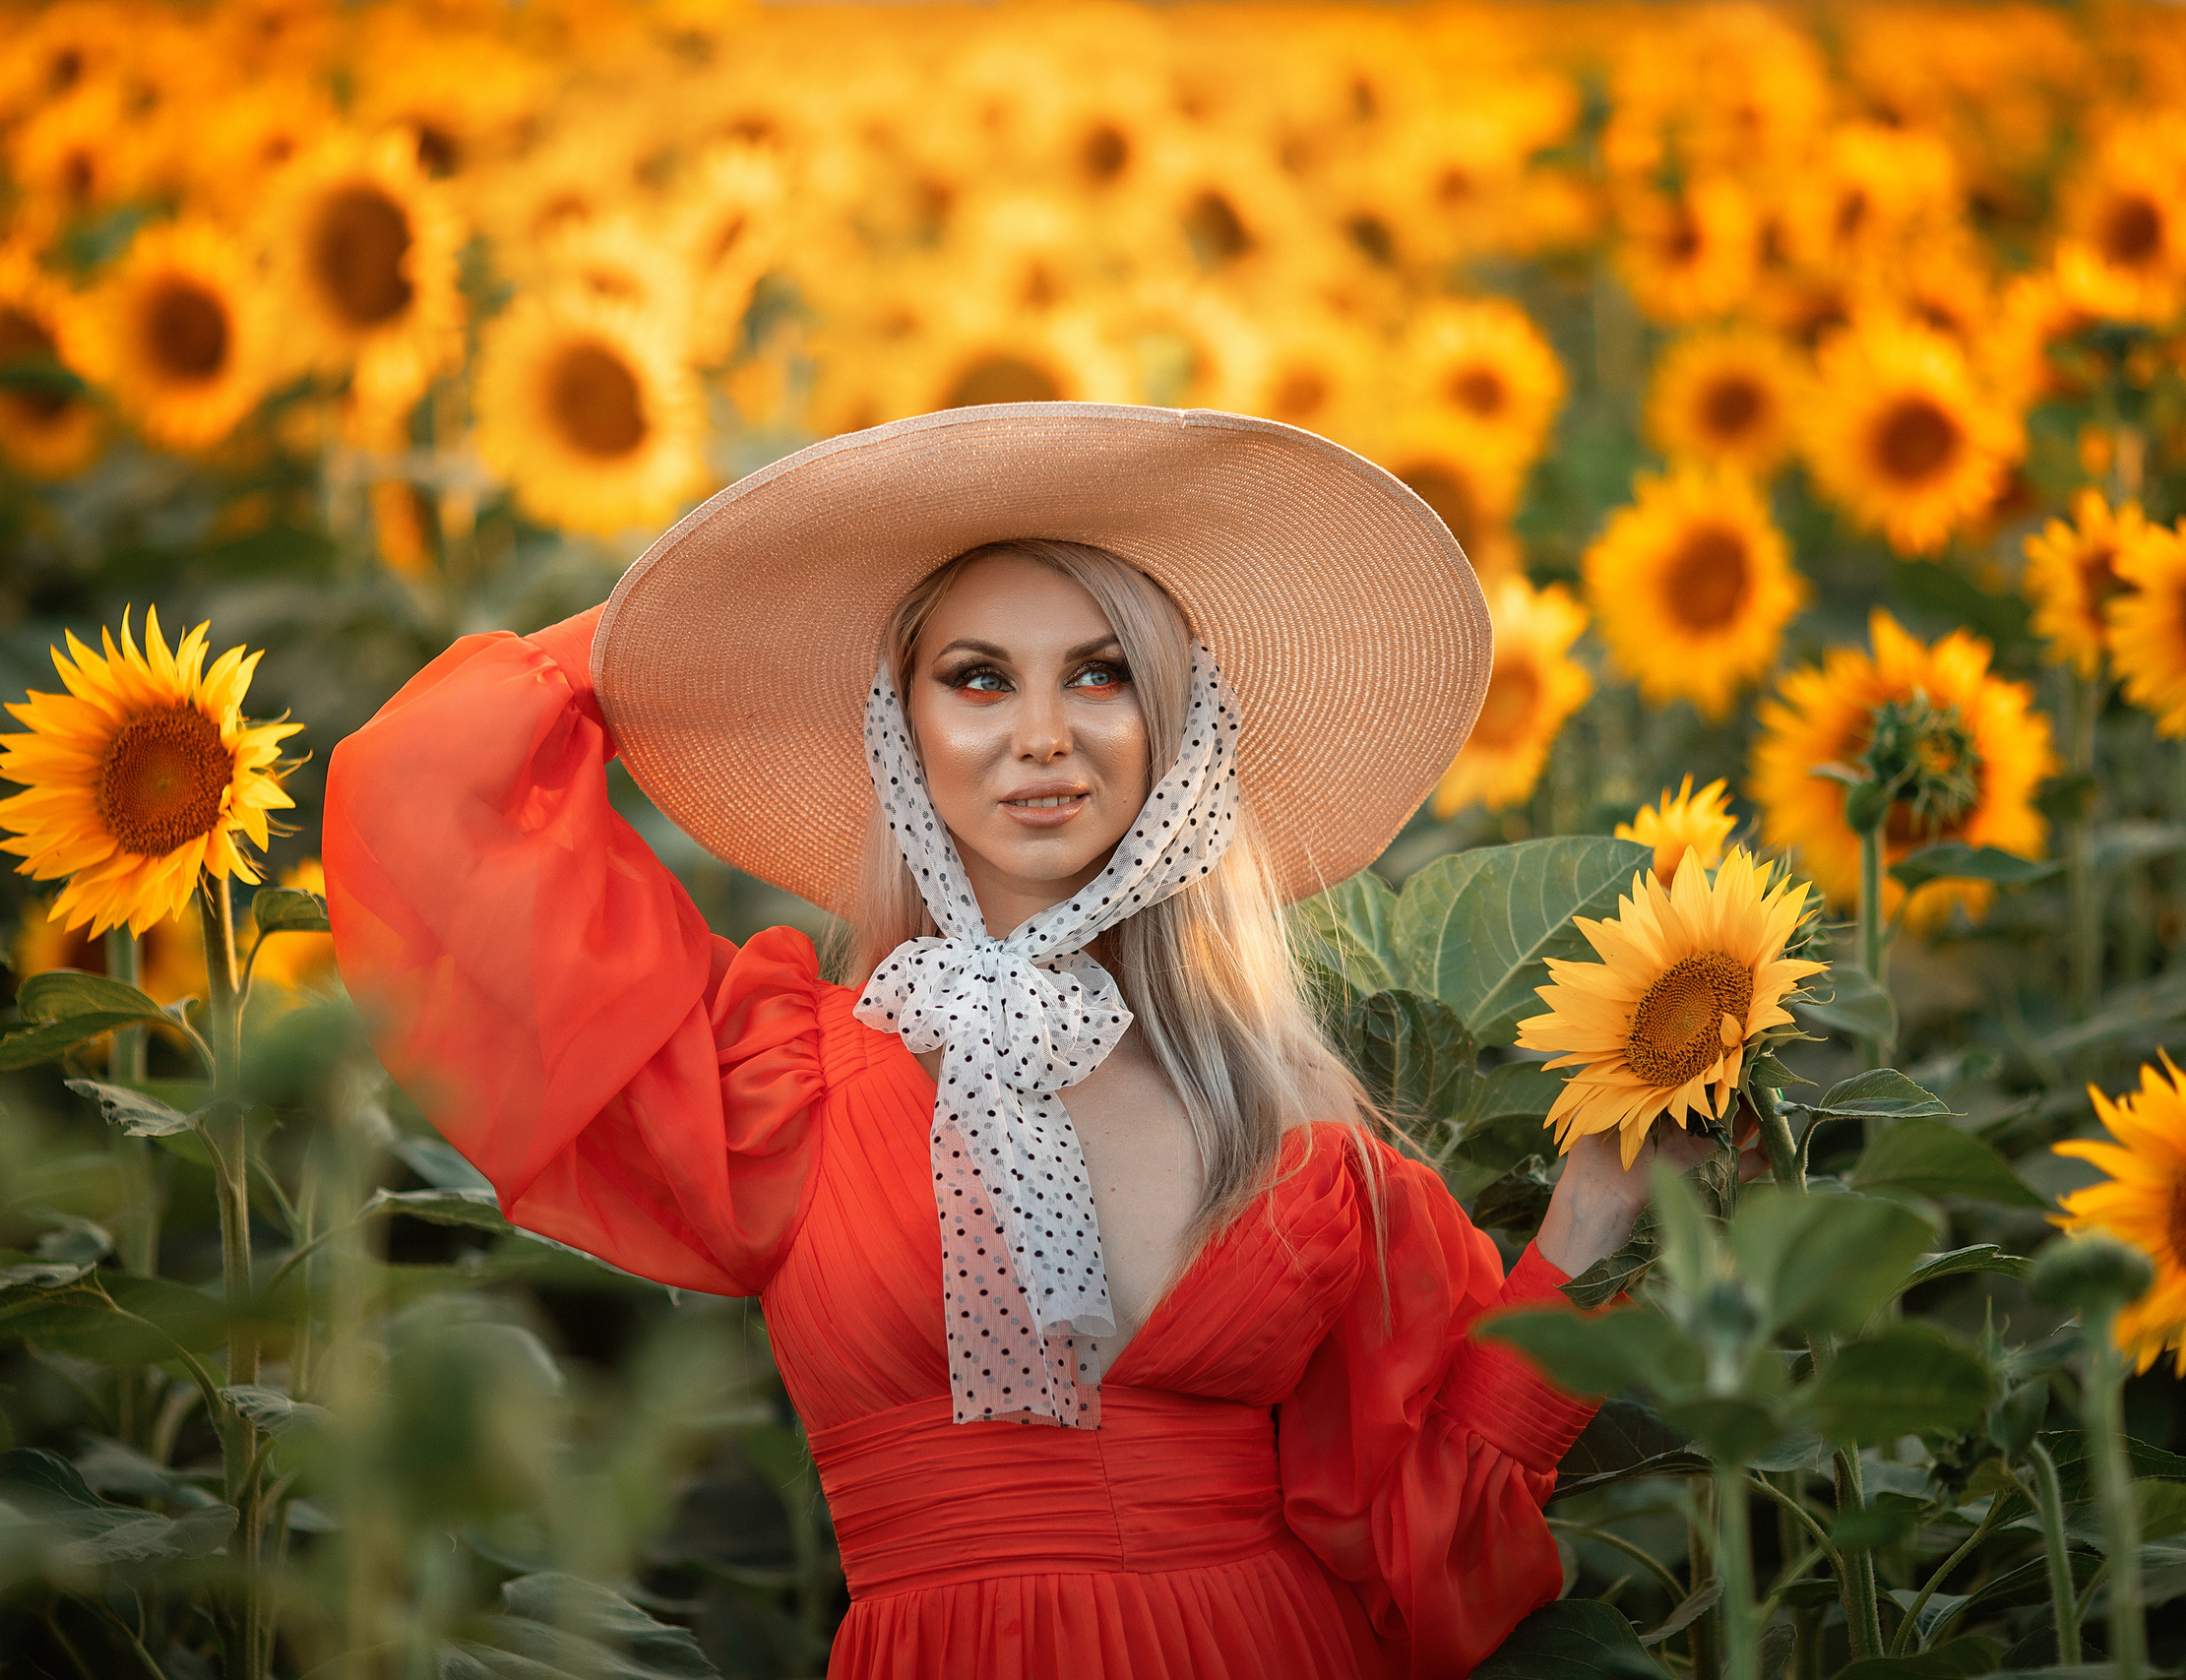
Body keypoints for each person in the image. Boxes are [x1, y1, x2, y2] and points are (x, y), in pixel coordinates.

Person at [324, 403, 1714, 1680]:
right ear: (897, 726)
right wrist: (668, 634)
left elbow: (1428, 1539)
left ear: (1180, 725)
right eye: (978, 680)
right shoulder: (783, 1081)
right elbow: (426, 790)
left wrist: (1586, 1230)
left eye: (1102, 675)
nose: (1044, 736)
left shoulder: (1288, 1107)